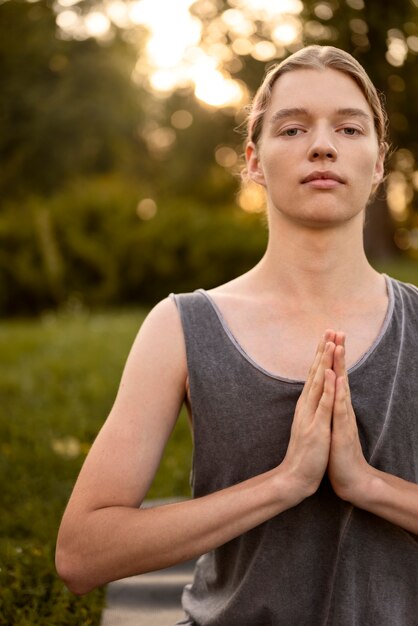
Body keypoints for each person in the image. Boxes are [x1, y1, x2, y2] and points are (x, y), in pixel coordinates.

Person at [56, 45, 418, 625]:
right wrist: (284, 484)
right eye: (293, 127)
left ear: (378, 164)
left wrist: (368, 485)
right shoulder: (179, 326)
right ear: (252, 160)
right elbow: (81, 552)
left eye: (349, 128)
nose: (322, 145)